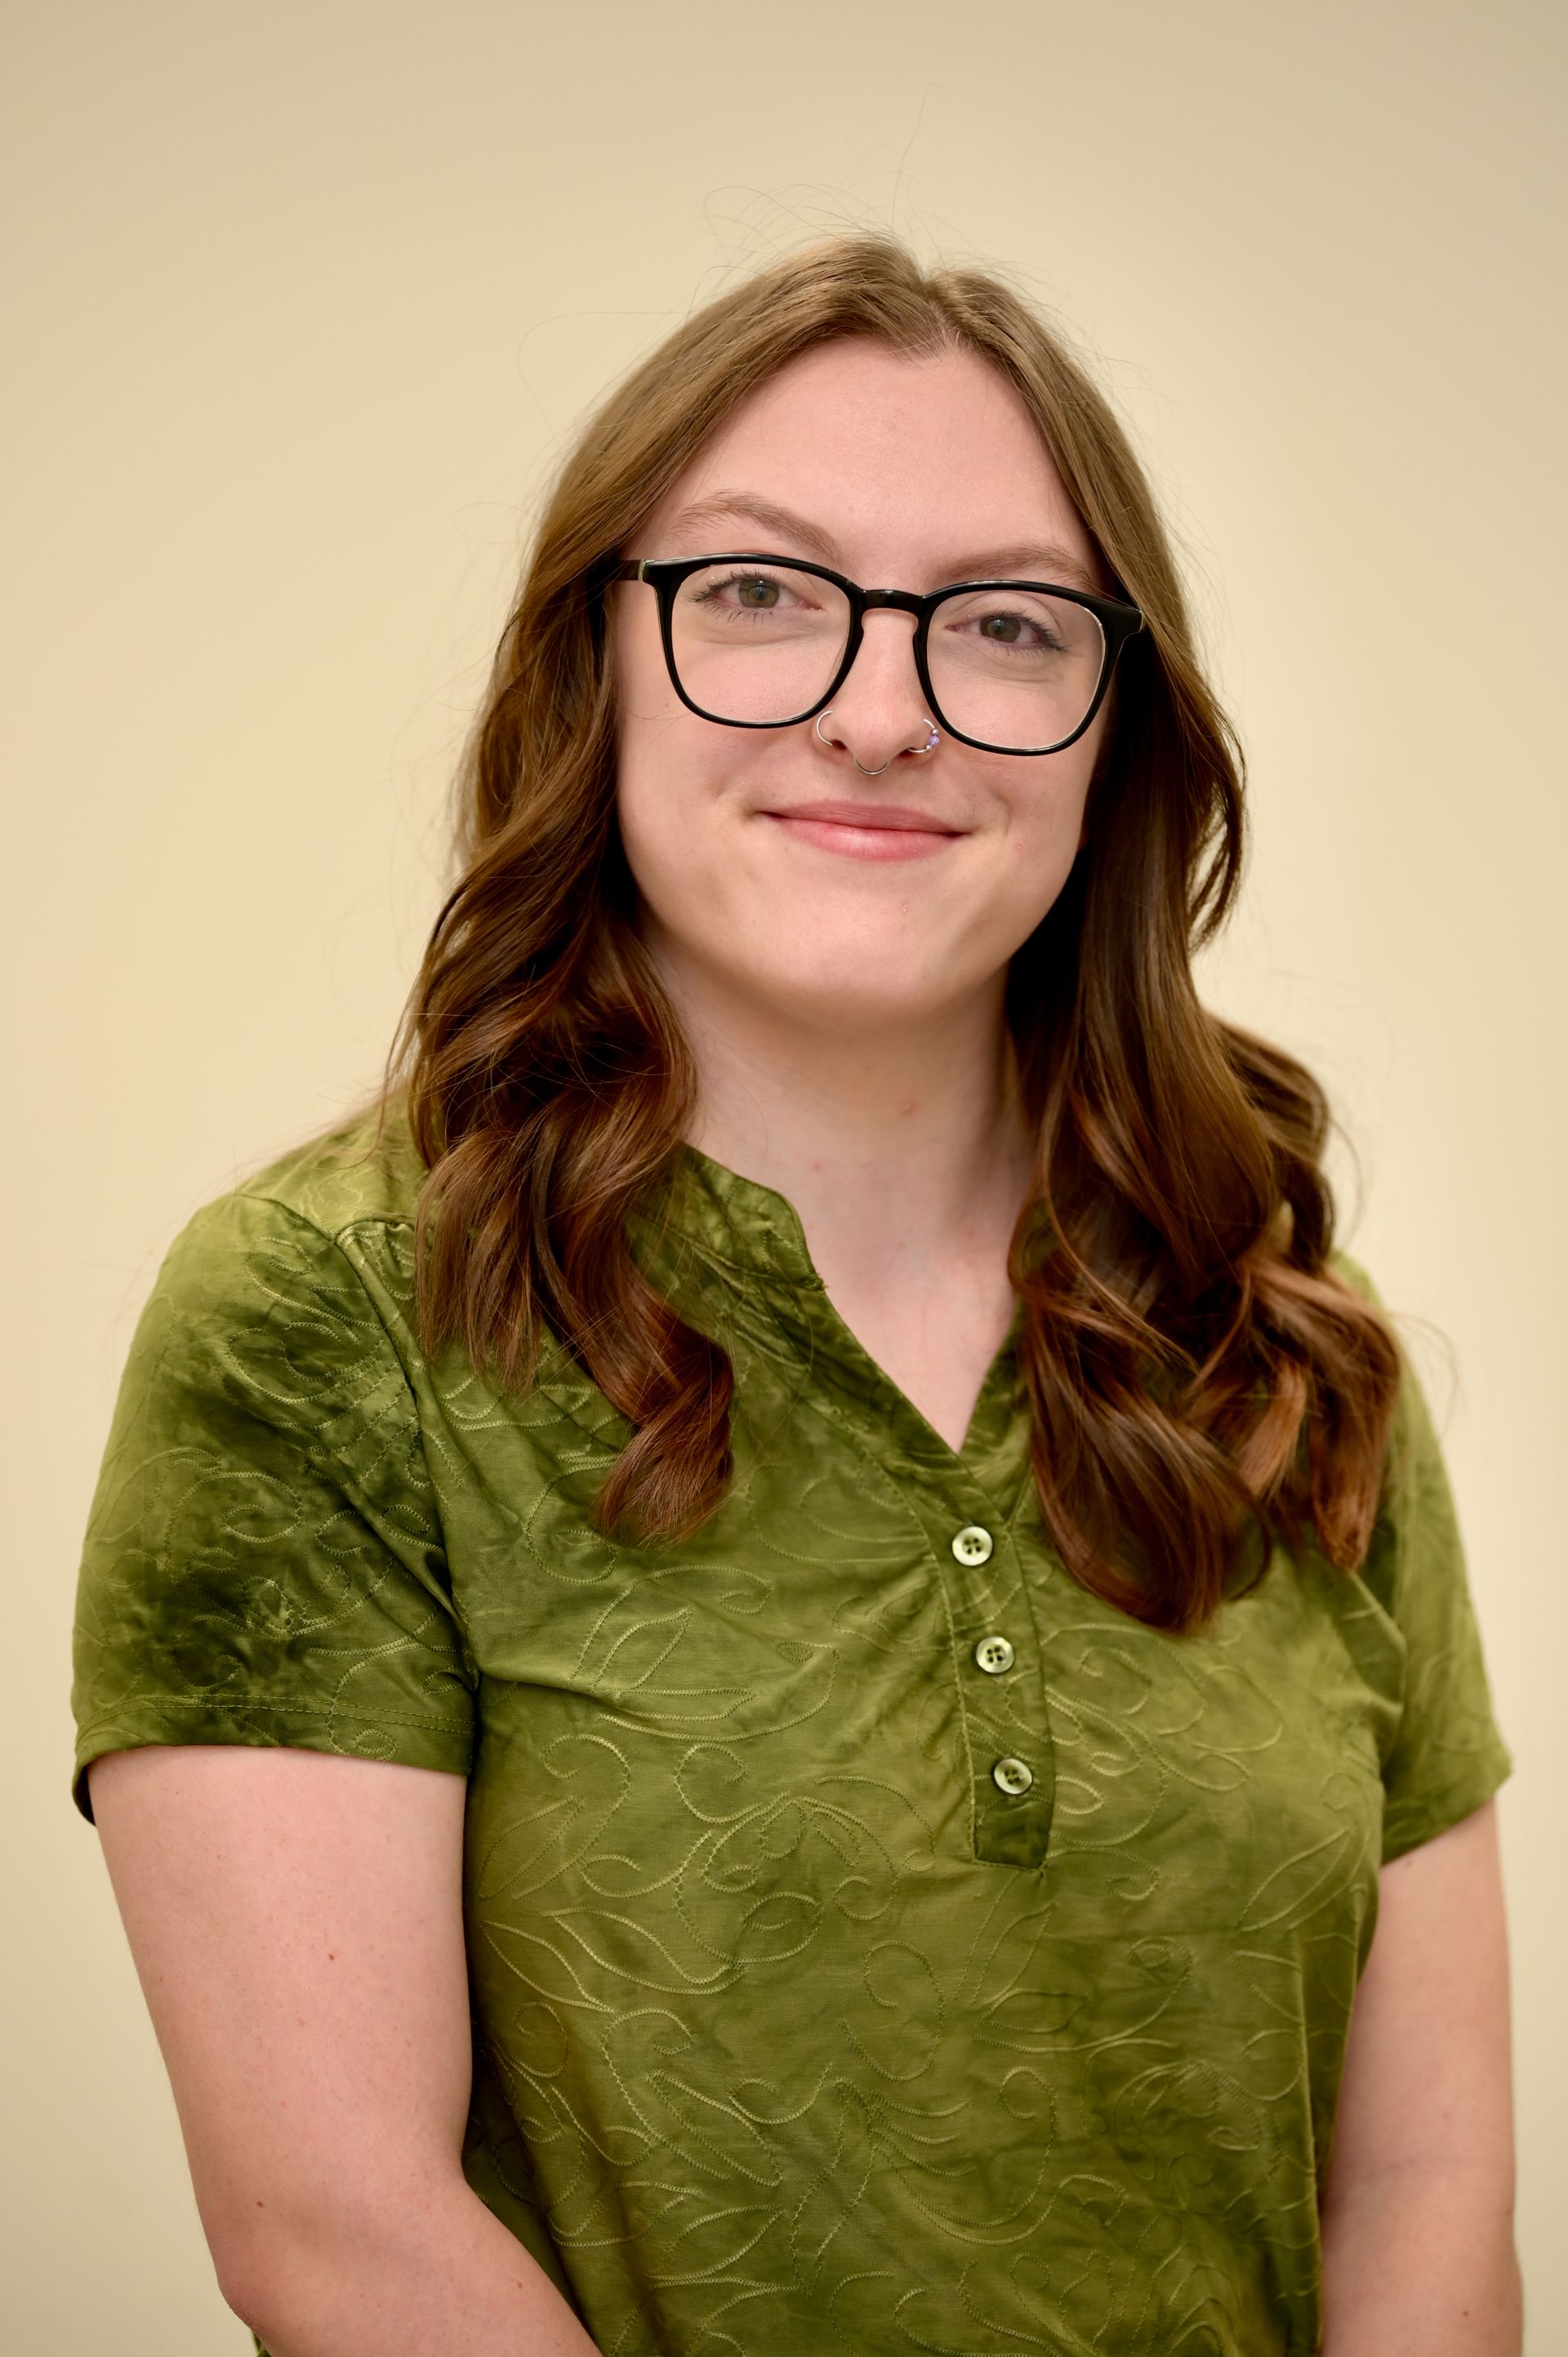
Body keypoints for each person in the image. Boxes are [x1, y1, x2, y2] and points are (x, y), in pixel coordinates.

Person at [73, 234, 1520, 2357]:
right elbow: (337, 2229)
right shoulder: (323, 1317)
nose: (877, 709)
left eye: (1006, 627)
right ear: (598, 667)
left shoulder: (1283, 1331)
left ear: (1114, 732)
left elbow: (1430, 2190)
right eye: (758, 593)